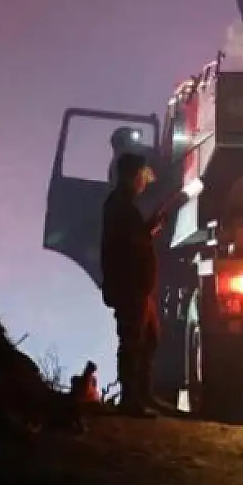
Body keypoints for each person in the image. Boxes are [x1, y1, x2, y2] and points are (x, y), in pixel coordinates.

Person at [100, 151, 167, 417]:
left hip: (138, 288)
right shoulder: (120, 206)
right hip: (131, 287)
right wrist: (148, 231)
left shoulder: (121, 205)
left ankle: (143, 395)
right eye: (143, 175)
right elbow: (128, 244)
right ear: (132, 175)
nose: (145, 181)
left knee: (148, 339)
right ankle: (131, 400)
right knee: (132, 341)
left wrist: (147, 229)